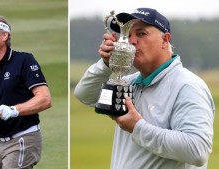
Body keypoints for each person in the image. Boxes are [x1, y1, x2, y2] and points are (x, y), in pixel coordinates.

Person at [74, 8, 215, 169]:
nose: (131, 41)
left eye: (141, 34)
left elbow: (197, 151)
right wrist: (105, 65)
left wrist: (137, 127)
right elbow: (85, 95)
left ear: (165, 40)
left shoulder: (187, 86)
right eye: (127, 35)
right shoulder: (130, 82)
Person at [0, 13, 52, 169]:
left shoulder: (24, 60)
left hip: (24, 138)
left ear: (4, 36)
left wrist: (14, 110)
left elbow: (45, 99)